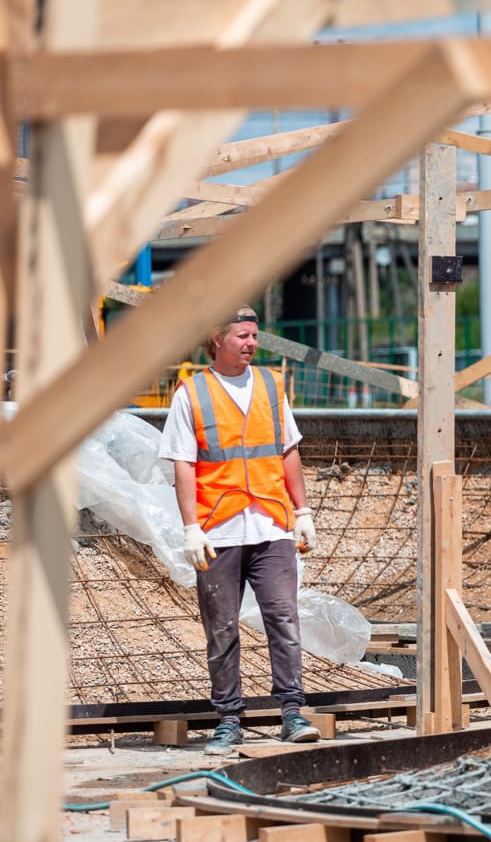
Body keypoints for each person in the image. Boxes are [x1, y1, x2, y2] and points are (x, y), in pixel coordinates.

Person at [159, 306, 320, 756]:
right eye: (243, 336)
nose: (252, 343)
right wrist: (191, 527)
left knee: (283, 619)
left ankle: (292, 712)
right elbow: (183, 465)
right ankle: (229, 719)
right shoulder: (192, 393)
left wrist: (302, 510)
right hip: (219, 530)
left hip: (271, 524)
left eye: (255, 336)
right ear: (217, 337)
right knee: (222, 628)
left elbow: (288, 451)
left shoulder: (270, 385)